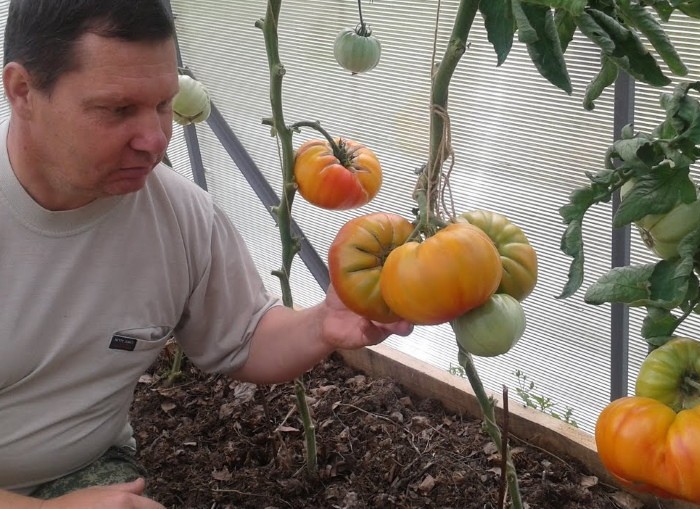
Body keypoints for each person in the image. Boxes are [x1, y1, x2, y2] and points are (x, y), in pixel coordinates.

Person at [0, 1, 412, 507]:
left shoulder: (177, 213)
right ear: (23, 92)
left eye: (163, 105)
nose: (154, 140)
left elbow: (244, 336)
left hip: (85, 468)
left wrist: (324, 320)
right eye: (117, 110)